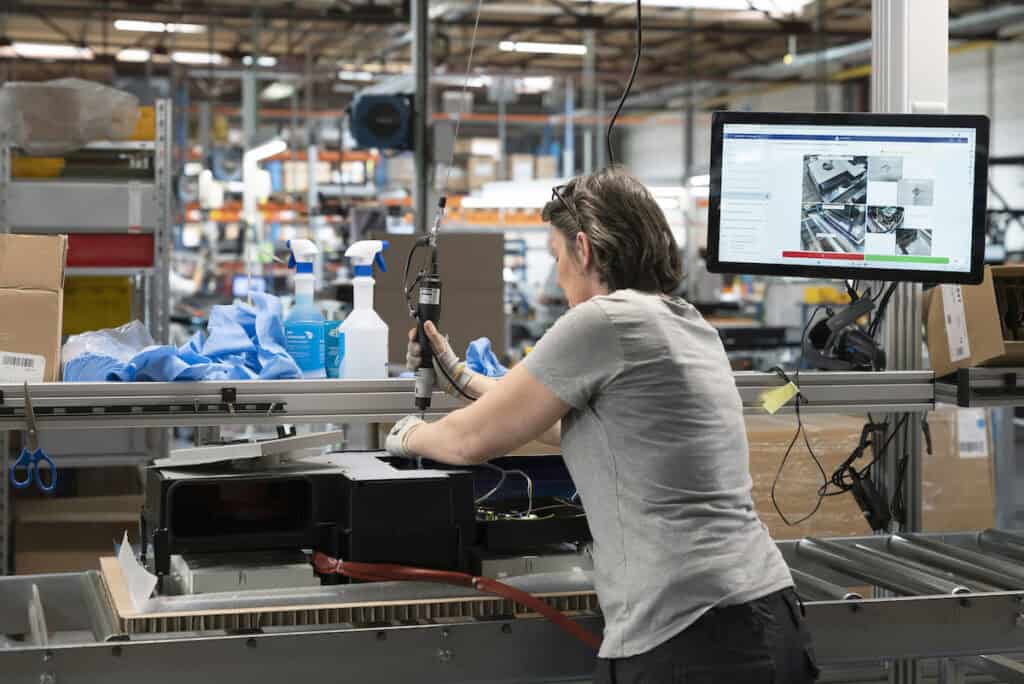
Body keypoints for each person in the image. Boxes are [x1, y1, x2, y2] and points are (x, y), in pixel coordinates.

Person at [387, 167, 819, 684]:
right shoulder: (682, 321)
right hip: (760, 609)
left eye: (556, 257)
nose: (558, 276)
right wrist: (460, 376)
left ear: (585, 249)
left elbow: (468, 440)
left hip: (693, 632)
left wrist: (404, 431)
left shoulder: (605, 321)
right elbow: (578, 423)